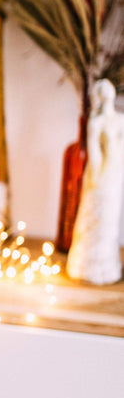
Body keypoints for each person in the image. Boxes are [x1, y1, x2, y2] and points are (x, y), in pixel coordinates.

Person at [67, 78, 124, 284]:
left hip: (116, 173)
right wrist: (99, 179)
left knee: (110, 217)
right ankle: (87, 263)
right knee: (95, 214)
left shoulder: (120, 120)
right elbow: (94, 152)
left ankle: (107, 264)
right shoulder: (95, 121)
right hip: (100, 176)